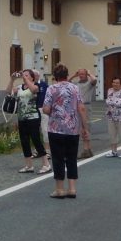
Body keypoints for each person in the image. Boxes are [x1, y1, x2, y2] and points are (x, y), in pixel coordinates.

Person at [41, 64, 89, 198]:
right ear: (67, 75)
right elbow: (81, 108)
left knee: (58, 159)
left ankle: (60, 189)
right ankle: (72, 188)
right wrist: (85, 127)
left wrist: (53, 111)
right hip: (73, 129)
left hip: (56, 129)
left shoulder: (52, 88)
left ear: (55, 76)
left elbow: (46, 109)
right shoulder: (75, 88)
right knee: (71, 158)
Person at [9, 69, 49, 174]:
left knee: (36, 140)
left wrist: (26, 79)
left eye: (27, 75)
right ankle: (29, 165)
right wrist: (12, 79)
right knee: (24, 141)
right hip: (22, 118)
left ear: (32, 77)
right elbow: (9, 92)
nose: (24, 76)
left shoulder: (36, 86)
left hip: (33, 117)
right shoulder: (19, 87)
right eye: (23, 75)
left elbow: (33, 90)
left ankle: (46, 164)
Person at [71, 67, 98, 158]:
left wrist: (90, 74)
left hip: (86, 106)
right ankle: (88, 149)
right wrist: (74, 75)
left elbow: (94, 80)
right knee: (80, 128)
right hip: (77, 106)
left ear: (86, 75)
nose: (81, 76)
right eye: (80, 74)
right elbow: (66, 82)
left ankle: (86, 149)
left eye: (83, 74)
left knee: (86, 126)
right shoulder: (76, 84)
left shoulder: (89, 83)